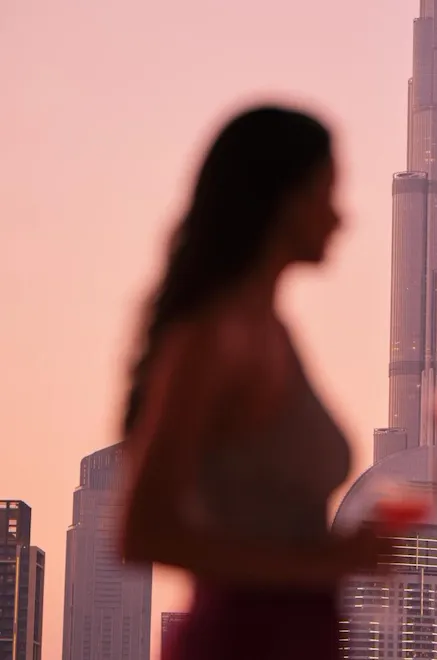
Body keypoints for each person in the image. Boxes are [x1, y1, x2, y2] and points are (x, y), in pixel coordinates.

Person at [120, 105, 393, 660]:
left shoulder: (276, 332)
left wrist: (337, 554)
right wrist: (320, 564)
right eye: (326, 193)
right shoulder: (213, 338)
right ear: (281, 200)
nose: (340, 219)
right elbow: (142, 532)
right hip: (239, 639)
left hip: (299, 636)